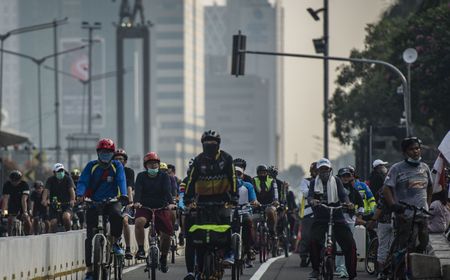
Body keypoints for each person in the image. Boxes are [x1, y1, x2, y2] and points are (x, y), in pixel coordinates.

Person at [184, 130, 238, 280]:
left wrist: (234, 198)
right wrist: (188, 200)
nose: (209, 145)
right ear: (202, 145)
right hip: (202, 201)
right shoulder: (198, 160)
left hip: (223, 200)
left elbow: (233, 178)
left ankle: (228, 253)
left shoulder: (227, 159)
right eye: (206, 143)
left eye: (212, 143)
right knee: (195, 235)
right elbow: (190, 180)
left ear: (218, 144)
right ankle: (193, 271)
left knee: (227, 224)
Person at [76, 138, 128, 280]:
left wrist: (123, 194)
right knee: (89, 236)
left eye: (108, 152)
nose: (105, 154)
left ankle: (116, 242)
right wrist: (80, 195)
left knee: (117, 215)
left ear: (112, 153)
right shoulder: (91, 166)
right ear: (98, 153)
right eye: (103, 152)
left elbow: (121, 180)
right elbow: (83, 181)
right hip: (93, 202)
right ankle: (90, 270)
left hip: (112, 201)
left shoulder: (117, 166)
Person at [308, 158, 357, 280]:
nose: (324, 172)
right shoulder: (314, 182)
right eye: (322, 169)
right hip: (320, 216)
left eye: (326, 169)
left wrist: (348, 203)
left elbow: (343, 195)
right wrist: (312, 201)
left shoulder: (336, 181)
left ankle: (351, 273)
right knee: (313, 241)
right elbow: (309, 196)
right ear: (318, 171)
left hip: (337, 214)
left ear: (330, 170)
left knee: (350, 244)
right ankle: (315, 269)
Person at [383, 137, 433, 255]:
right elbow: (386, 188)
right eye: (411, 149)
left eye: (417, 148)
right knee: (404, 243)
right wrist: (394, 206)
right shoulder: (396, 168)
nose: (415, 151)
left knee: (424, 241)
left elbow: (430, 186)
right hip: (405, 214)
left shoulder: (425, 167)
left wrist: (428, 204)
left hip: (422, 213)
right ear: (405, 152)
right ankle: (392, 267)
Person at [134, 152, 175, 273]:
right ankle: (141, 249)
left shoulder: (164, 176)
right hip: (144, 207)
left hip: (161, 207)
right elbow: (138, 191)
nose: (153, 166)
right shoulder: (141, 176)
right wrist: (136, 202)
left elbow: (167, 192)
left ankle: (163, 258)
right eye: (150, 164)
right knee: (139, 222)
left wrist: (171, 203)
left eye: (155, 164)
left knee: (167, 235)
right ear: (146, 165)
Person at [335, 167, 365, 278]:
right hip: (338, 218)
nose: (346, 178)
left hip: (350, 219)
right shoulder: (335, 189)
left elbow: (361, 203)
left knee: (348, 244)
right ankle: (339, 268)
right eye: (343, 176)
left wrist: (360, 215)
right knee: (338, 245)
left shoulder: (353, 190)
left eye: (348, 176)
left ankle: (347, 268)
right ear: (339, 177)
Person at [236, 165, 259, 267]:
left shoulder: (248, 185)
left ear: (242, 175)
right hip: (231, 212)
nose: (236, 176)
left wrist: (254, 201)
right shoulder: (226, 185)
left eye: (239, 174)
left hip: (245, 211)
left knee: (249, 223)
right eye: (234, 174)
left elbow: (253, 198)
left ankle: (249, 249)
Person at [114, 148, 135, 259]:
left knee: (125, 221)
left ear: (125, 161)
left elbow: (129, 187)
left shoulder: (129, 172)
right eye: (116, 159)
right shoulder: (110, 171)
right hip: (112, 201)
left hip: (125, 201)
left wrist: (130, 202)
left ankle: (127, 248)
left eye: (120, 159)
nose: (118, 161)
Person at [367, 190, 393, 280]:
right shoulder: (402, 188)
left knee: (382, 247)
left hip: (384, 222)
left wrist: (373, 220)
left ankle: (381, 272)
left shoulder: (385, 190)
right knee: (393, 247)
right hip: (398, 220)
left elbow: (380, 207)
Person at [42, 163, 76, 232]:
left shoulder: (68, 179)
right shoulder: (50, 180)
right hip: (54, 205)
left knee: (66, 217)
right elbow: (46, 190)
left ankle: (68, 232)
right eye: (58, 171)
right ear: (54, 172)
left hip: (66, 205)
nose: (61, 173)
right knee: (53, 223)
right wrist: (44, 200)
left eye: (62, 171)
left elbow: (71, 190)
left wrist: (72, 200)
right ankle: (52, 238)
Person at [1, 170, 32, 235]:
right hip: (13, 203)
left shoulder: (24, 184)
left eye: (16, 180)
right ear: (10, 179)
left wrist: (25, 212)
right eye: (13, 180)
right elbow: (5, 199)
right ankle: (9, 234)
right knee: (9, 219)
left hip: (24, 203)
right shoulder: (7, 185)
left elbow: (24, 199)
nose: (14, 182)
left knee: (26, 218)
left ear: (20, 180)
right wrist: (4, 211)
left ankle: (29, 233)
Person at [299, 162, 317, 267]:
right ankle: (304, 256)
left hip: (323, 211)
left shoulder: (327, 181)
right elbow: (305, 193)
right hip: (308, 213)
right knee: (306, 236)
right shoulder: (306, 181)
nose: (318, 173)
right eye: (315, 171)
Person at [252, 164, 279, 237]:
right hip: (256, 205)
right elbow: (251, 192)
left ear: (267, 173)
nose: (262, 174)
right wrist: (253, 201)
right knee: (252, 222)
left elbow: (275, 191)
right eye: (260, 173)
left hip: (270, 204)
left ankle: (272, 231)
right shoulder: (254, 180)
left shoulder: (272, 180)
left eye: (264, 172)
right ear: (257, 173)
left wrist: (276, 200)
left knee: (270, 212)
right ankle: (254, 244)